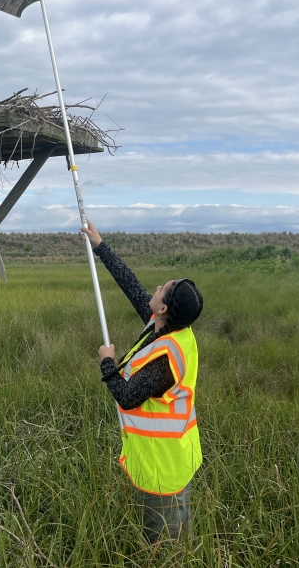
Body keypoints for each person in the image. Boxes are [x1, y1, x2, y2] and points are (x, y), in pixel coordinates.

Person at [81, 221, 204, 543]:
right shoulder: (167, 327)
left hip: (163, 463)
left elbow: (126, 396)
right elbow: (131, 285)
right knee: (176, 525)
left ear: (163, 307)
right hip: (170, 453)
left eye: (161, 289)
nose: (154, 289)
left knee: (164, 540)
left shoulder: (166, 357)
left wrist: (107, 360)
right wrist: (100, 245)